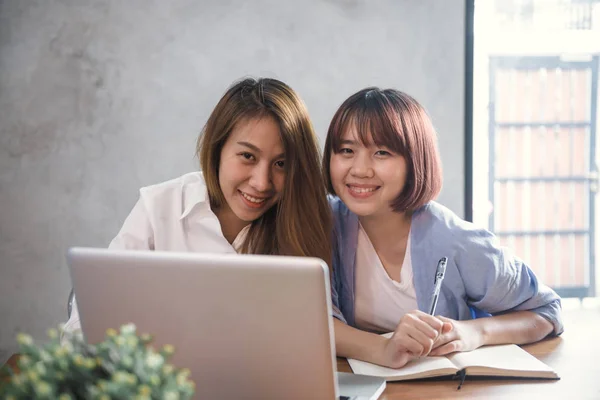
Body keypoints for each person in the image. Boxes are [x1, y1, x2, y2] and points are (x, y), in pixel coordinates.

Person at [63, 77, 332, 334]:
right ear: (217, 150)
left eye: (281, 164)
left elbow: (305, 334)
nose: (262, 183)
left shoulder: (303, 223)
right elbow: (85, 321)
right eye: (247, 156)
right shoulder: (159, 207)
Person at [323, 87, 563, 369]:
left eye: (382, 152)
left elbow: (547, 310)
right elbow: (308, 320)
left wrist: (474, 332)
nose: (360, 169)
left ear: (415, 160)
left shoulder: (454, 240)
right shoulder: (322, 224)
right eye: (347, 150)